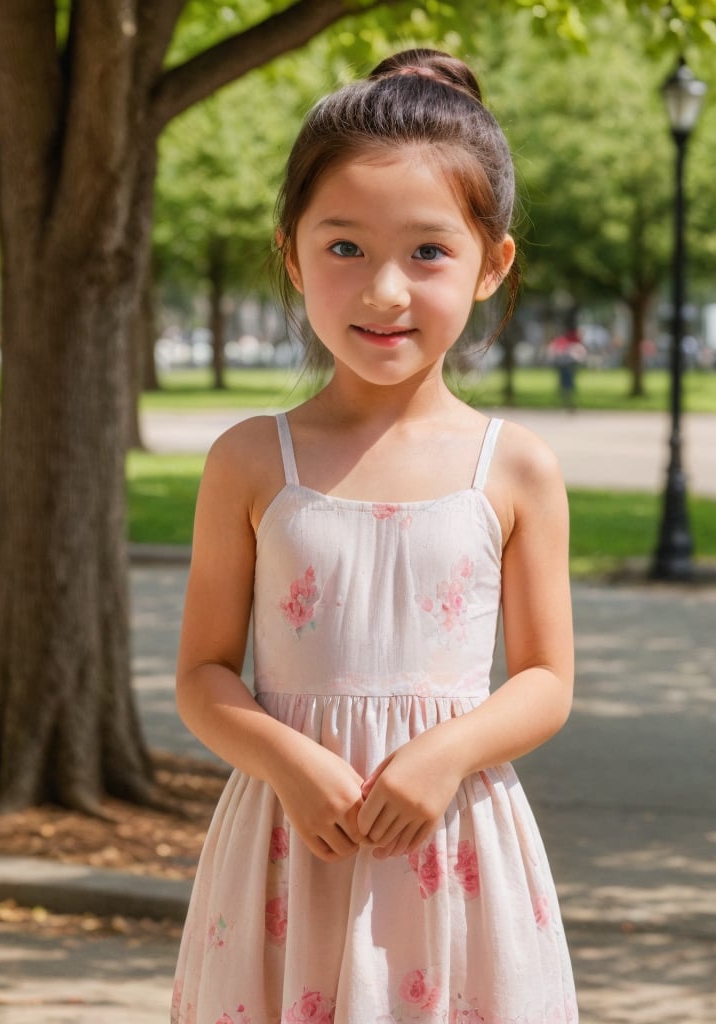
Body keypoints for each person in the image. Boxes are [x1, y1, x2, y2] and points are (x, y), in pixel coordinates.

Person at [172, 48, 577, 1024]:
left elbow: (545, 678)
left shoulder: (513, 466)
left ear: (493, 264)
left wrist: (444, 756)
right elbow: (202, 675)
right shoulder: (251, 460)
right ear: (292, 255)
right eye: (345, 247)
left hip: (453, 847)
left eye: (428, 252)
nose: (385, 290)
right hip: (288, 842)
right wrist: (288, 761)